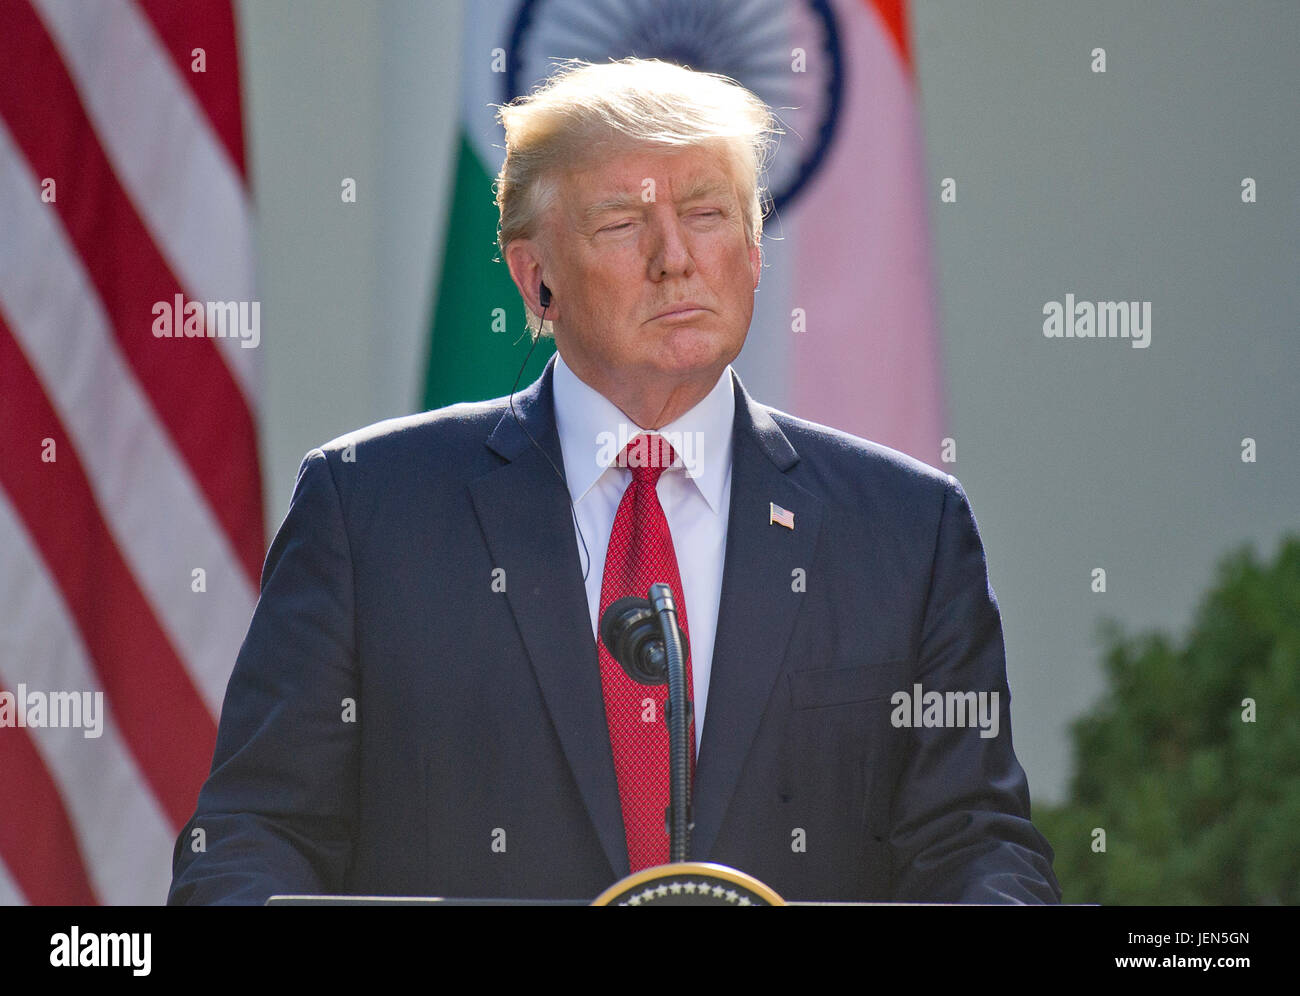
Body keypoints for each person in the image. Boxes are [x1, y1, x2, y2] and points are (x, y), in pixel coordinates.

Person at [169, 58, 1060, 904]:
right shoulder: (367, 511)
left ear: (753, 251)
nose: (675, 256)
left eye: (709, 213)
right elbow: (257, 833)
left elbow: (972, 842)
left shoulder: (907, 530)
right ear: (537, 278)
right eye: (623, 224)